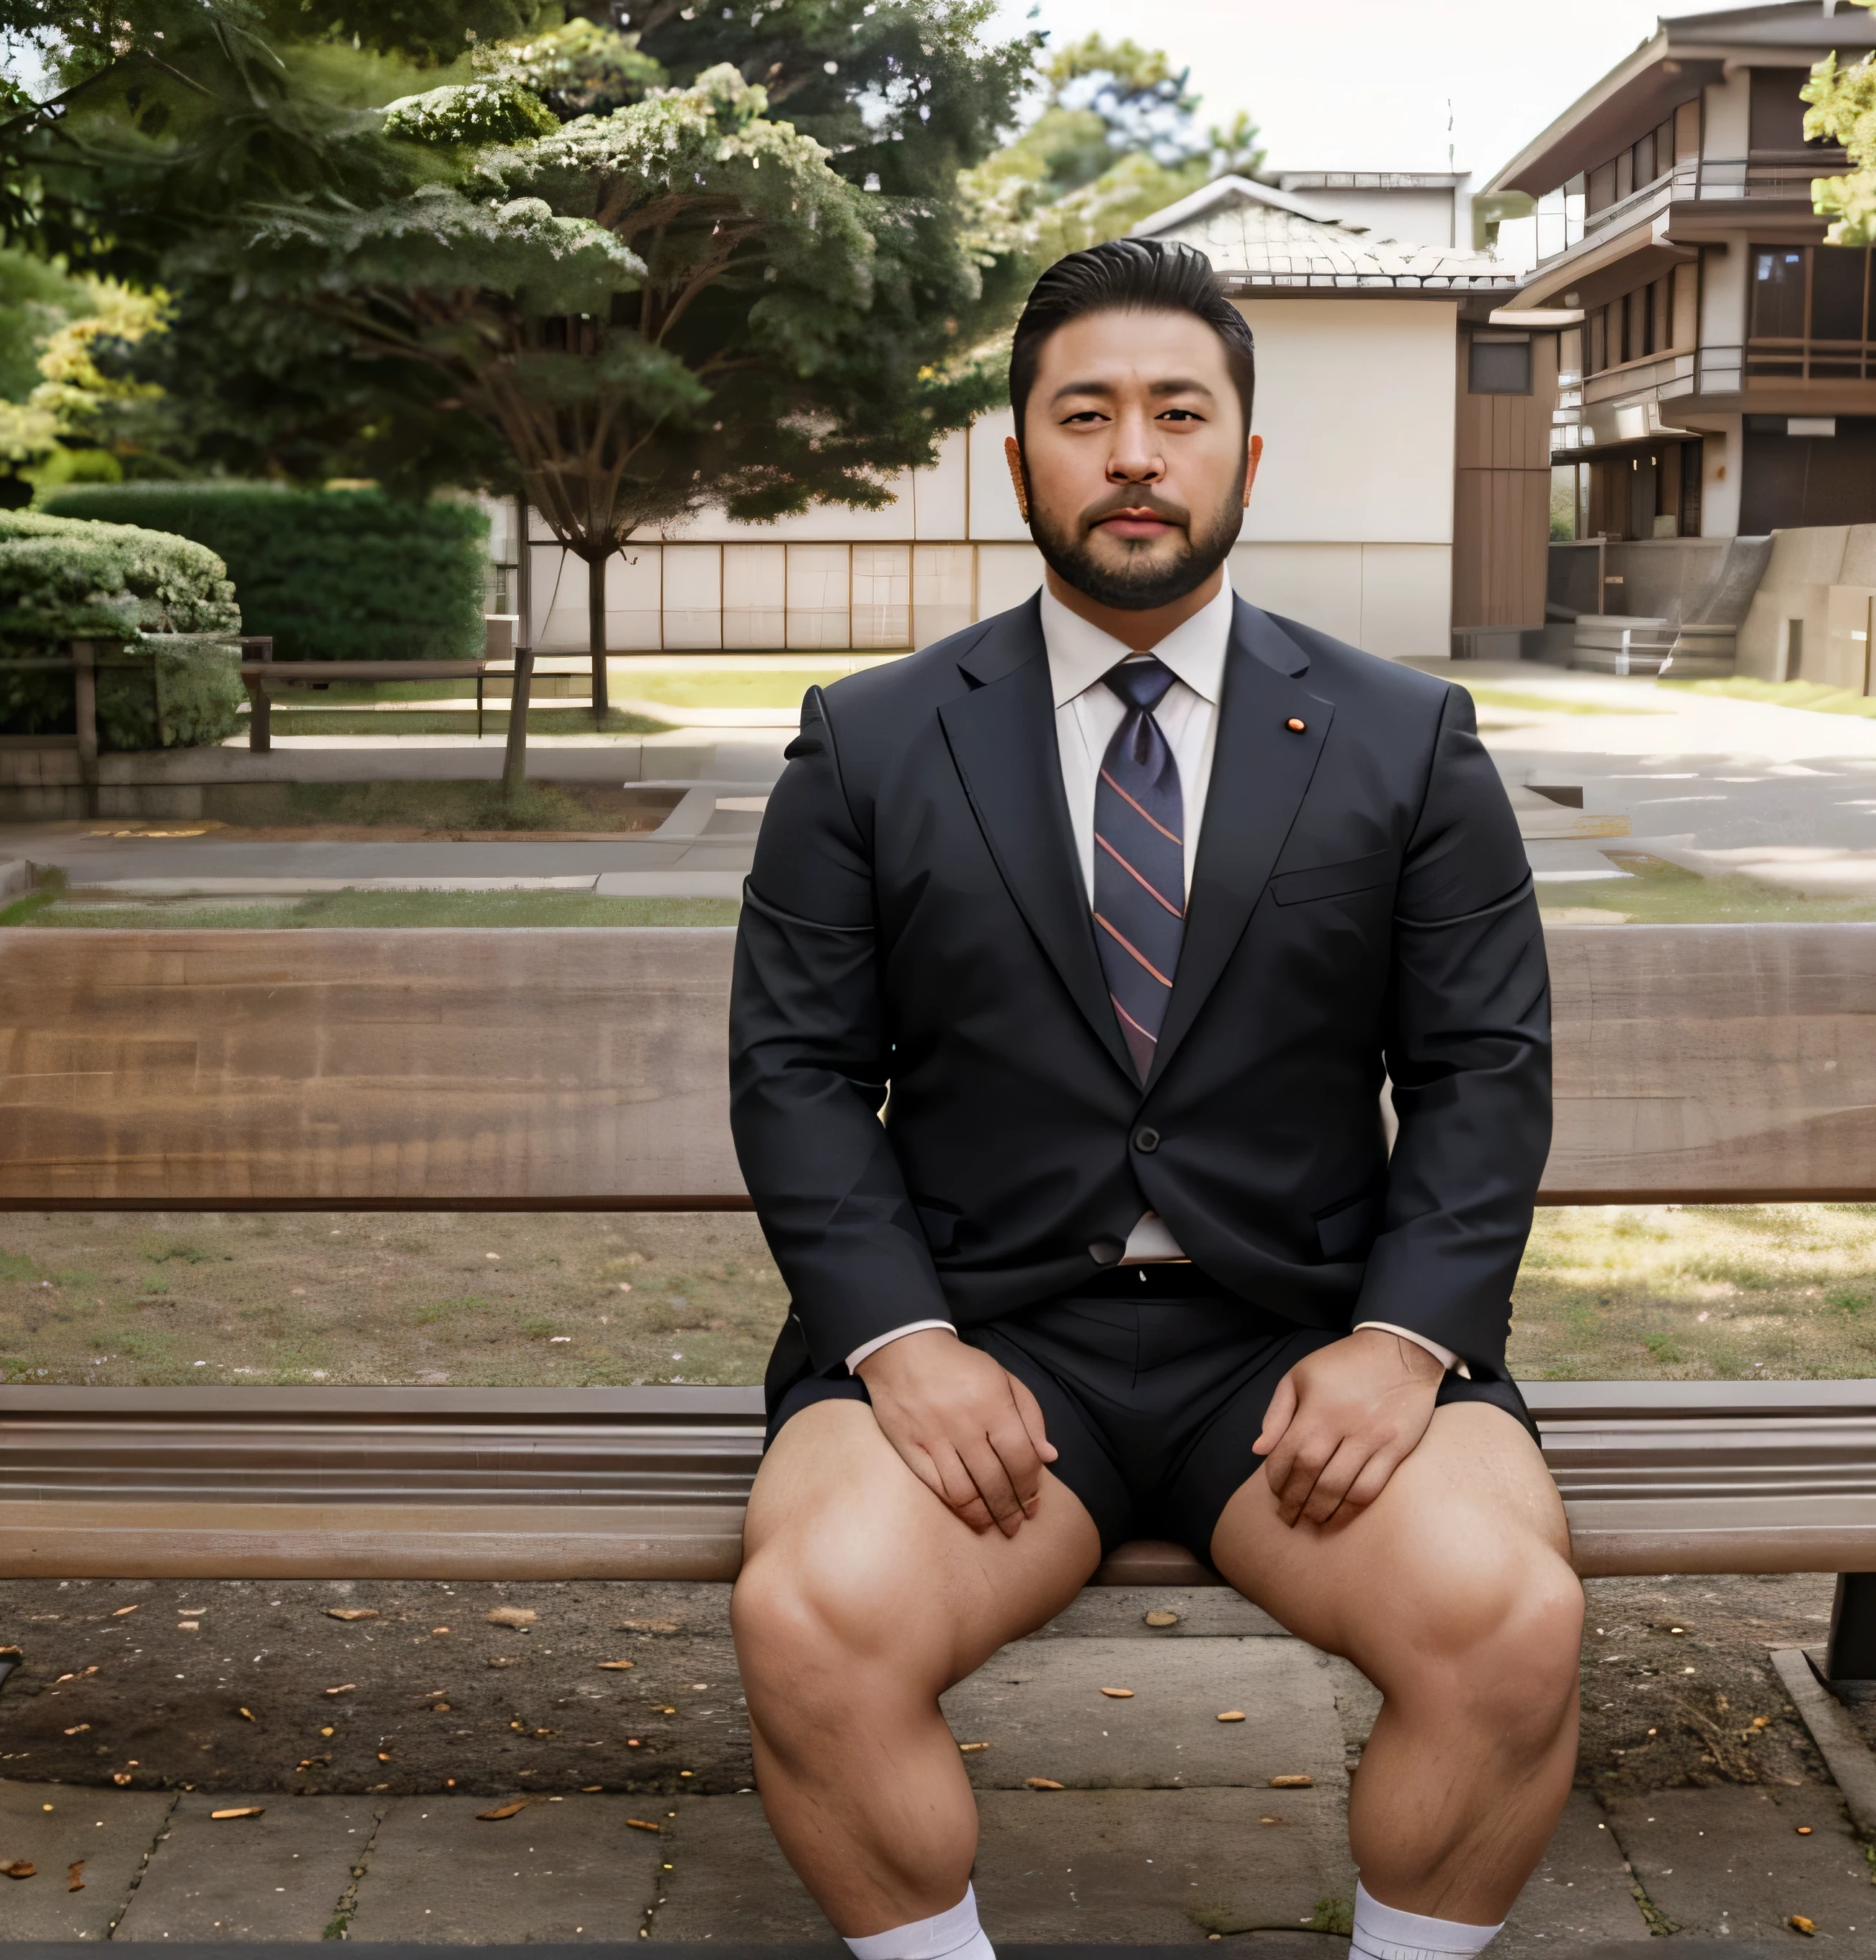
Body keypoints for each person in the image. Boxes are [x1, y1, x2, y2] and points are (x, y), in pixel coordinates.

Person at [726, 237, 1578, 1960]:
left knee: (1503, 1621)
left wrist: (1401, 1340)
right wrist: (900, 1342)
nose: (1133, 452)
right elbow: (796, 1069)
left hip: (1304, 1341)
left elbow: (1483, 1068)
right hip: (979, 1340)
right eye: (1085, 413)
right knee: (814, 1618)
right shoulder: (871, 740)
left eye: (1176, 412)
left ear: (1242, 457)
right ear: (1017, 453)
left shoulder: (1404, 737)